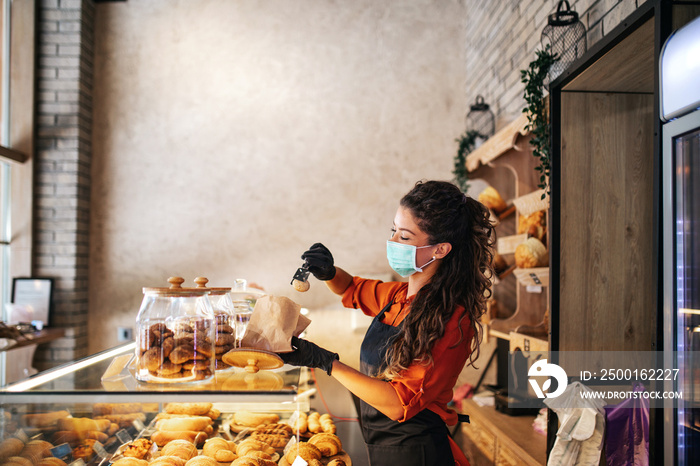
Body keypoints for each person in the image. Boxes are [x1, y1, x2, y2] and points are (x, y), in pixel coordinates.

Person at [280, 180, 495, 466]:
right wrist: (329, 272)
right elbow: (351, 289)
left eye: (404, 237)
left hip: (418, 453)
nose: (393, 242)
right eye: (393, 230)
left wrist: (325, 361)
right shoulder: (398, 296)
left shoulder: (451, 321)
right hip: (382, 447)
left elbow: (398, 403)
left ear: (440, 249)